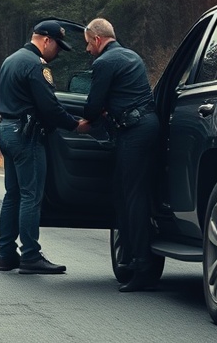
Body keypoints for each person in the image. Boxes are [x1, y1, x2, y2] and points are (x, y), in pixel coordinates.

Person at [0, 20, 89, 274]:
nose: (58, 52)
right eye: (58, 46)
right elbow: (49, 106)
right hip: (26, 135)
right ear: (46, 40)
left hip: (5, 129)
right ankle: (30, 256)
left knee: (12, 194)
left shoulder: (11, 59)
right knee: (30, 196)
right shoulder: (36, 66)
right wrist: (75, 125)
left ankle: (5, 254)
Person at [79, 18, 161, 292]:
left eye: (88, 44)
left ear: (98, 39)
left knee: (131, 198)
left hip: (133, 132)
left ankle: (142, 267)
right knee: (134, 194)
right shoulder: (131, 56)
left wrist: (92, 117)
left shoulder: (104, 63)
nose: (88, 50)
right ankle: (132, 261)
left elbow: (91, 107)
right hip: (148, 126)